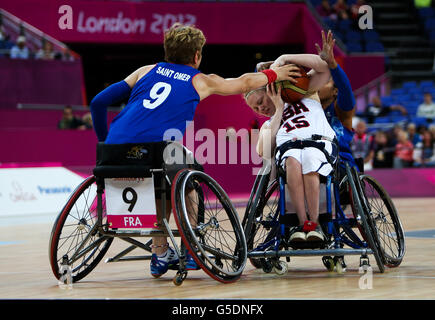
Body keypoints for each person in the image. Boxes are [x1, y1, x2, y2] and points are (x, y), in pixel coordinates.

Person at [89, 23, 299, 278]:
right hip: (156, 151)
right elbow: (244, 82)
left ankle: (160, 252)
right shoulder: (199, 81)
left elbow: (98, 102)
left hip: (113, 152)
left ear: (167, 50)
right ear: (197, 55)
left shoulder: (146, 71)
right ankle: (190, 250)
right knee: (188, 178)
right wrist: (275, 74)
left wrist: (105, 144)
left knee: (163, 177)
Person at [247, 51, 336, 244]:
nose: (260, 109)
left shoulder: (306, 92)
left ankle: (315, 223)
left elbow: (323, 67)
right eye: (255, 109)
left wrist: (284, 59)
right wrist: (278, 110)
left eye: (261, 102)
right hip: (290, 149)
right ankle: (303, 224)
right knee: (292, 162)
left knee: (311, 158)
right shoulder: (268, 124)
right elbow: (264, 151)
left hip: (318, 142)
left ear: (270, 89)